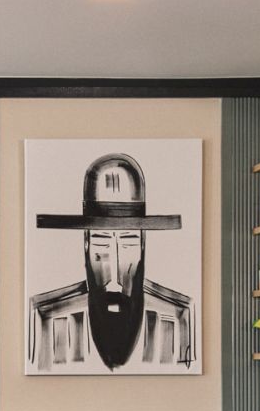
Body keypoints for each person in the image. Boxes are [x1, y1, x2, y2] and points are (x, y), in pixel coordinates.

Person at [28, 152, 195, 372]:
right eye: (101, 243)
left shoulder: (176, 316)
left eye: (128, 243)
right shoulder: (49, 316)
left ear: (143, 244)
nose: (114, 279)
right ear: (85, 244)